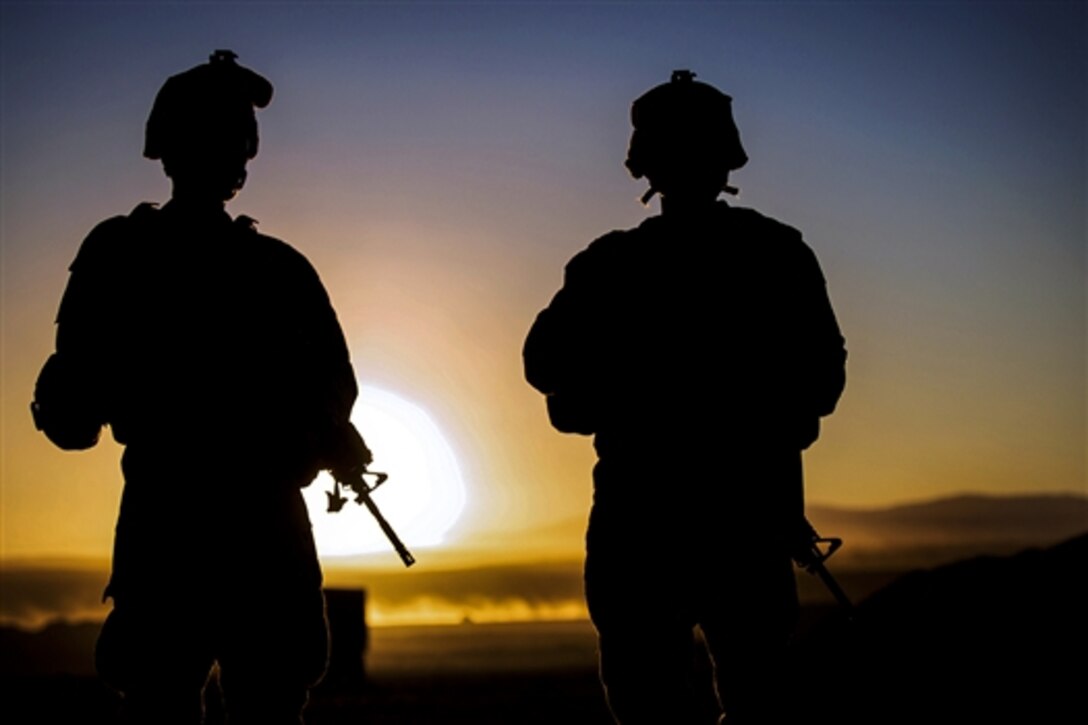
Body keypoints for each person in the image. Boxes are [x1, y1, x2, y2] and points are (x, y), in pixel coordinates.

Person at [31, 50, 371, 724]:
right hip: (222, 521)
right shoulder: (270, 268)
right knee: (216, 697)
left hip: (192, 520)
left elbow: (72, 410)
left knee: (217, 697)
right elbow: (73, 403)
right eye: (228, 130)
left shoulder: (134, 255)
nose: (237, 146)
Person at [523, 70, 847, 724]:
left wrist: (615, 397)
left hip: (653, 519)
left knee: (659, 705)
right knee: (750, 695)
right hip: (736, 514)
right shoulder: (775, 253)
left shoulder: (609, 265)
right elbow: (821, 379)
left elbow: (545, 367)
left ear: (643, 162)